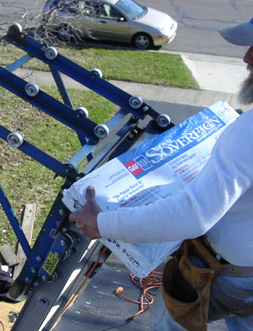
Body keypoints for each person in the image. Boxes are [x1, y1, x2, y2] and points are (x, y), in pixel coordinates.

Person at [69, 19, 253, 330]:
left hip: (229, 278)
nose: (246, 58)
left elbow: (191, 215)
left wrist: (101, 223)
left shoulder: (247, 133)